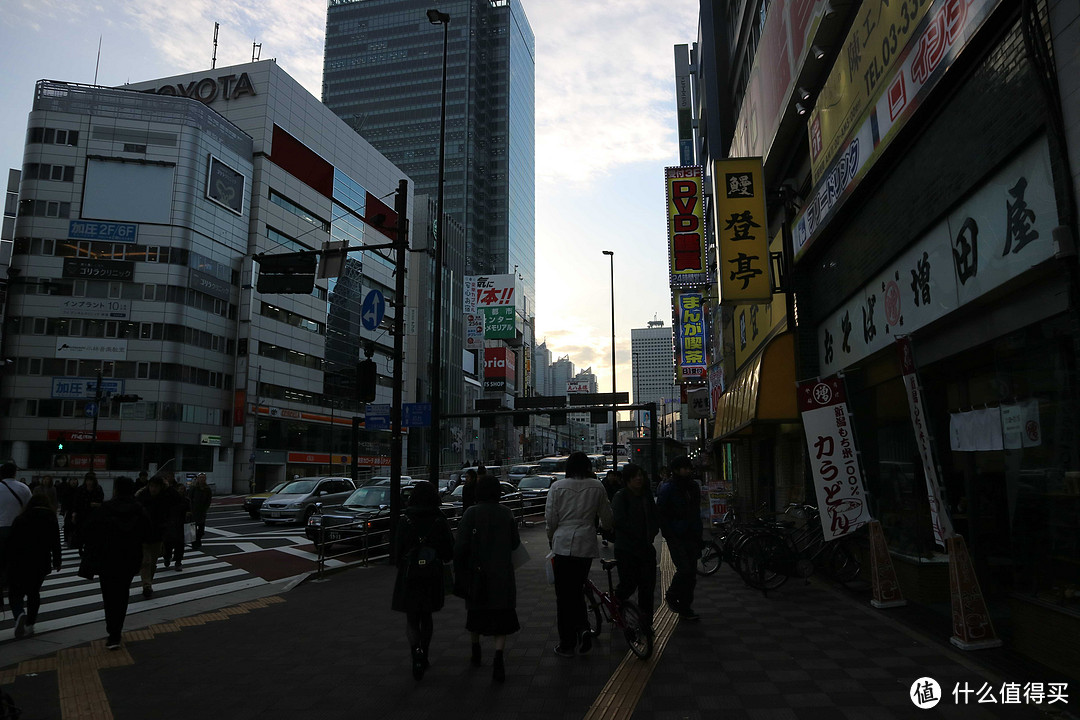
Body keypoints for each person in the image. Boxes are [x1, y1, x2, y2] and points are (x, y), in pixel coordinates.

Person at [544, 451, 613, 658]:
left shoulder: (557, 487)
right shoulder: (597, 486)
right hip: (585, 544)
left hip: (563, 544)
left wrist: (551, 537)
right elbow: (607, 516)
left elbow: (550, 519)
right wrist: (604, 528)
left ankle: (567, 643)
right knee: (577, 588)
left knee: (564, 596)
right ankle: (583, 628)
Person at [454, 475, 521, 683]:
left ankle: (476, 650)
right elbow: (515, 543)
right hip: (502, 574)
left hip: (477, 573)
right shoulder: (506, 513)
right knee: (501, 617)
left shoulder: (470, 513)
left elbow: (460, 547)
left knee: (475, 614)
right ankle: (498, 656)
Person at [391, 481, 454, 680]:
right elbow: (448, 551)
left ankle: (414, 653)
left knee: (411, 617)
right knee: (426, 616)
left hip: (409, 574)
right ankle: (424, 654)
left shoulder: (406, 520)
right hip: (432, 574)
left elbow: (397, 551)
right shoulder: (439, 519)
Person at [82, 476, 152, 650]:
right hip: (129, 558)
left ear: (116, 490)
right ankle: (116, 632)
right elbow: (148, 532)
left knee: (108, 595)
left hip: (107, 558)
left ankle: (111, 632)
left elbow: (89, 531)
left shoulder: (105, 508)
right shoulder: (138, 509)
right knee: (122, 594)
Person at [610, 463, 659, 633]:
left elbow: (654, 517)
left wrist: (651, 533)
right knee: (628, 584)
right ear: (627, 480)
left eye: (641, 475)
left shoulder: (646, 496)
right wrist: (638, 535)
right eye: (635, 476)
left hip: (646, 548)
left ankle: (646, 624)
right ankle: (616, 606)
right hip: (627, 549)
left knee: (647, 588)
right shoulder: (620, 497)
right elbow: (620, 521)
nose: (639, 478)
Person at [7, 488, 62, 638]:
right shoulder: (51, 517)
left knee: (15, 593)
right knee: (33, 593)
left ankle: (19, 613)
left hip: (20, 560)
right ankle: (30, 624)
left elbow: (11, 541)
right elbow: (55, 542)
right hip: (41, 561)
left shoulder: (22, 518)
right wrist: (57, 560)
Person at [656, 455, 703, 620]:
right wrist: (669, 533)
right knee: (685, 569)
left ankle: (685, 607)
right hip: (676, 535)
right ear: (676, 470)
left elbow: (696, 511)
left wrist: (699, 534)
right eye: (684, 468)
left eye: (689, 468)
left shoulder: (693, 487)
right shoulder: (668, 488)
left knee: (691, 574)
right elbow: (661, 513)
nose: (688, 471)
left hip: (692, 533)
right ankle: (671, 594)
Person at [136, 475, 178, 599]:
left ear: (161, 487)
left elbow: (178, 499)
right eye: (152, 486)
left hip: (158, 534)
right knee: (145, 561)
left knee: (153, 562)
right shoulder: (142, 497)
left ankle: (148, 582)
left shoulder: (165, 497)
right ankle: (146, 585)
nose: (153, 489)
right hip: (143, 534)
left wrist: (168, 487)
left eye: (156, 487)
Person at [73, 472, 105, 552]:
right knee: (81, 531)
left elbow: (101, 501)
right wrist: (74, 514)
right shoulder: (81, 489)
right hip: (82, 513)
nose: (89, 483)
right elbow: (76, 502)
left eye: (91, 481)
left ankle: (89, 547)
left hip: (94, 514)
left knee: (92, 533)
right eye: (88, 480)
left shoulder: (98, 488)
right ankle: (80, 547)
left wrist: (96, 504)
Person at [162, 482, 190, 571]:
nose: (182, 491)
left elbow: (190, 511)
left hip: (181, 525)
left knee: (180, 545)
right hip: (170, 525)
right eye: (180, 489)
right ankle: (167, 557)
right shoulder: (169, 500)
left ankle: (178, 562)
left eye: (183, 489)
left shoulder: (186, 500)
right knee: (168, 544)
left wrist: (188, 515)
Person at [189, 473, 213, 550]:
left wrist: (206, 508)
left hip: (202, 511)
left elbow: (209, 500)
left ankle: (198, 540)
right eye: (200, 478)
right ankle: (194, 543)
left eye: (203, 478)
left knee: (201, 530)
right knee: (193, 528)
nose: (202, 479)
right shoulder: (193, 488)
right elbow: (189, 498)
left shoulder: (207, 489)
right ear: (198, 479)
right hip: (193, 510)